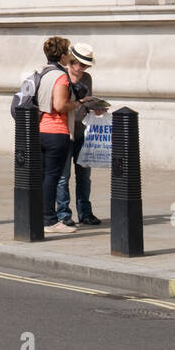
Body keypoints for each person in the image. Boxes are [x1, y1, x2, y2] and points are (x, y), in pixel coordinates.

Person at [37, 36, 81, 234]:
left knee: (45, 176)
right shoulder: (60, 77)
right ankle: (50, 220)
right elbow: (60, 105)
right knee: (52, 178)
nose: (69, 57)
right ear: (62, 56)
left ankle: (43, 217)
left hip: (41, 130)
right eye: (68, 53)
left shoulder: (43, 74)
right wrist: (78, 104)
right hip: (57, 131)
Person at [58, 42, 103, 227]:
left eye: (86, 65)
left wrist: (96, 108)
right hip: (63, 131)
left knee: (84, 175)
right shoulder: (60, 78)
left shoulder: (87, 79)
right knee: (63, 177)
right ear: (72, 62)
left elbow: (86, 103)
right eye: (81, 65)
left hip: (82, 131)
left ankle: (85, 212)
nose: (83, 69)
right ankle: (63, 213)